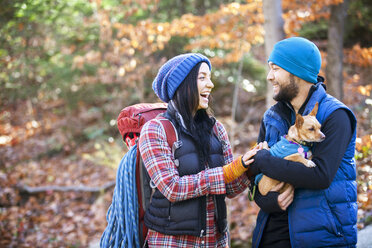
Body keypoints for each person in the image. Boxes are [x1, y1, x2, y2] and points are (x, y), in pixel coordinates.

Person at [138, 53, 260, 247]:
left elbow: (228, 188)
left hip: (215, 241)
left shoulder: (216, 129)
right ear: (182, 84)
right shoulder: (156, 130)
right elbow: (172, 188)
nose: (210, 84)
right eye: (202, 77)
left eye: (209, 77)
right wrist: (227, 172)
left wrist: (250, 166)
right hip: (172, 242)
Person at [250, 37, 357, 248]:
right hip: (271, 236)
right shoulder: (271, 117)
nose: (270, 76)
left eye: (276, 69)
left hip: (321, 237)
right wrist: (268, 201)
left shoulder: (335, 115)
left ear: (297, 73)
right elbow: (254, 177)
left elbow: (320, 176)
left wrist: (264, 161)